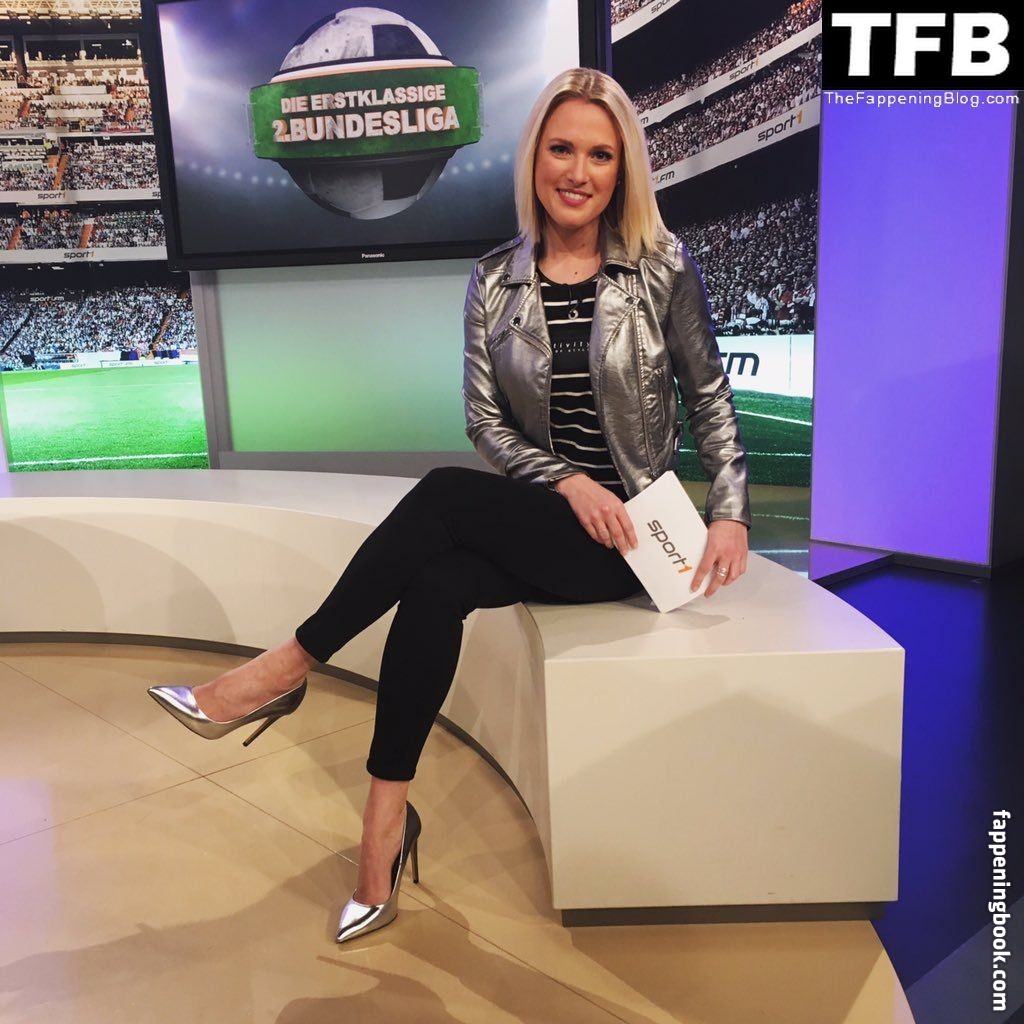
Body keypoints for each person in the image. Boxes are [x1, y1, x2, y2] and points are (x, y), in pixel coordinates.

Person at [147, 67, 750, 945]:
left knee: (440, 494)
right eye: (562, 149)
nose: (578, 171)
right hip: (547, 520)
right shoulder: (494, 278)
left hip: (628, 537)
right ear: (534, 158)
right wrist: (566, 481)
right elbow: (485, 422)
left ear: (622, 170)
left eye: (600, 155)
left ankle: (284, 669)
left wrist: (729, 509)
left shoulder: (661, 267)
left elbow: (709, 395)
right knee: (433, 587)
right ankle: (384, 826)